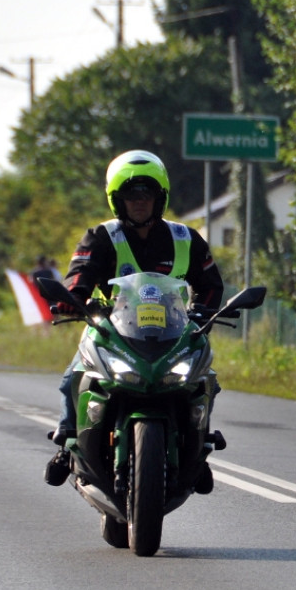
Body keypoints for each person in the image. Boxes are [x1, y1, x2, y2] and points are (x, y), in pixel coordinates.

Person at [45, 149, 224, 486]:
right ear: (117, 199)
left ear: (160, 198)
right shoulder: (101, 236)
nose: (139, 201)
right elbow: (80, 274)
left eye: (147, 194)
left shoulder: (186, 239)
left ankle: (198, 451)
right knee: (72, 378)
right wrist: (73, 300)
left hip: (174, 332)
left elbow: (212, 285)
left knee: (205, 380)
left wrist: (205, 313)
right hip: (112, 330)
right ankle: (69, 444)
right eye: (131, 194)